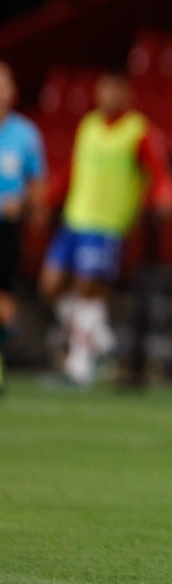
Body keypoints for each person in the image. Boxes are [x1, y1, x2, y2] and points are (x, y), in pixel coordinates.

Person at [40, 71, 172, 386]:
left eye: (114, 90)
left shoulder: (138, 131)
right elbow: (73, 169)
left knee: (88, 289)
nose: (107, 97)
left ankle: (79, 367)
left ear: (126, 94)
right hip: (75, 219)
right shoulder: (88, 126)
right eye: (103, 90)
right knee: (50, 285)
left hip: (107, 225)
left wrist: (164, 195)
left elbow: (158, 173)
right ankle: (99, 337)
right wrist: (50, 196)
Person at [0, 60, 48, 391]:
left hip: (7, 230)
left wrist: (29, 207)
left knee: (5, 301)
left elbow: (37, 186)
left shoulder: (25, 134)